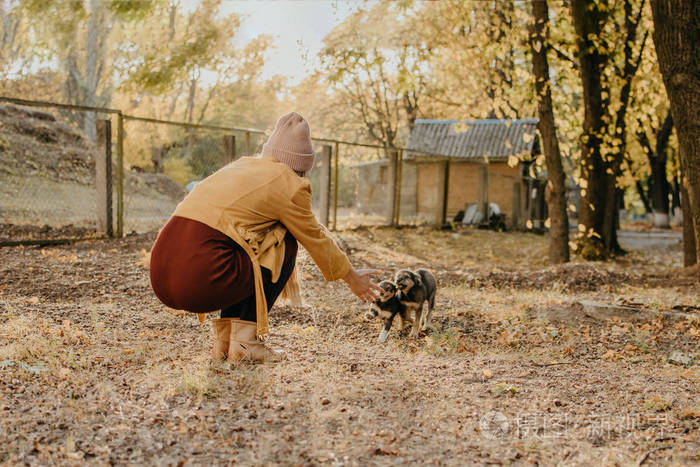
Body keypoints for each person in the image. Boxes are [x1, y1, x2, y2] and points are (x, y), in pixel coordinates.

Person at [149, 112, 380, 362]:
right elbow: (314, 235)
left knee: (248, 249)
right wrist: (351, 278)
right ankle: (246, 343)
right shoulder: (290, 184)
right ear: (302, 166)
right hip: (196, 280)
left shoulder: (243, 166)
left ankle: (226, 343)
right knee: (285, 239)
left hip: (162, 273)